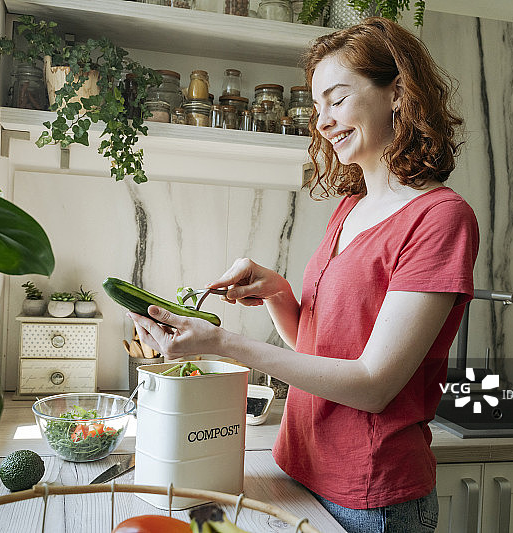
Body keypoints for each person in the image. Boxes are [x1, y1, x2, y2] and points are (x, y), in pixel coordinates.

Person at [129, 17, 479, 533]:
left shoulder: (440, 217)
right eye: (317, 107)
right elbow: (318, 352)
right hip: (299, 467)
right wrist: (279, 293)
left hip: (370, 496)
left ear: (398, 94)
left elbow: (373, 385)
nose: (322, 121)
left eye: (337, 100)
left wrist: (222, 344)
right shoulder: (351, 208)